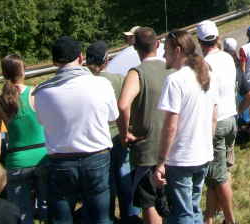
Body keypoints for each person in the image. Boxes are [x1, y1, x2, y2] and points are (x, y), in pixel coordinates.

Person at [33, 36, 118, 224]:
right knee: (101, 217)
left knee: (62, 218)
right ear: (81, 58)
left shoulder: (42, 92)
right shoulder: (101, 84)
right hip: (96, 155)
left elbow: (43, 121)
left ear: (54, 61)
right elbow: (113, 116)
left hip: (60, 159)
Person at [154, 29, 217, 224]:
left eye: (166, 49)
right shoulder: (205, 75)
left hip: (181, 158)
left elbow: (170, 126)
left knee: (182, 214)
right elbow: (214, 116)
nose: (164, 54)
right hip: (203, 154)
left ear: (178, 50)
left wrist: (161, 161)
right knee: (193, 208)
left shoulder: (175, 81)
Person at [118, 27, 173, 224]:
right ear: (158, 44)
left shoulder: (137, 73)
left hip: (148, 147)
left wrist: (125, 134)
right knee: (171, 197)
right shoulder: (172, 68)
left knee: (149, 201)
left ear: (135, 47)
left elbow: (123, 105)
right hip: (173, 145)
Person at [85, 41, 139, 224]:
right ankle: (130, 216)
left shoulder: (83, 83)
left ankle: (106, 216)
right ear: (106, 60)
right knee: (124, 177)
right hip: (118, 134)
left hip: (96, 140)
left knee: (104, 183)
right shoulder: (118, 79)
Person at [0, 55, 48, 224]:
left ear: (4, 73)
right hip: (41, 157)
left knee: (22, 212)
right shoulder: (35, 93)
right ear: (23, 71)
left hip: (16, 161)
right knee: (47, 206)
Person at [195, 20, 238, 224]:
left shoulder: (205, 64)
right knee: (215, 175)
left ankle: (229, 219)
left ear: (200, 41)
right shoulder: (228, 58)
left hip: (217, 122)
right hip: (231, 119)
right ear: (217, 38)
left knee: (219, 177)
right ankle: (209, 217)